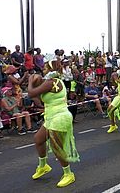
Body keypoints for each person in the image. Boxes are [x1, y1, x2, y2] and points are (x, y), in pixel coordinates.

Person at [28, 54, 79, 187]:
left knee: (56, 146)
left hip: (60, 117)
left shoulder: (51, 82)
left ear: (50, 69)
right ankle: (43, 166)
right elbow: (38, 100)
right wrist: (36, 83)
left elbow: (31, 94)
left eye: (45, 68)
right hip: (51, 116)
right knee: (38, 139)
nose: (42, 70)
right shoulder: (49, 82)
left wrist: (30, 82)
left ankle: (68, 174)